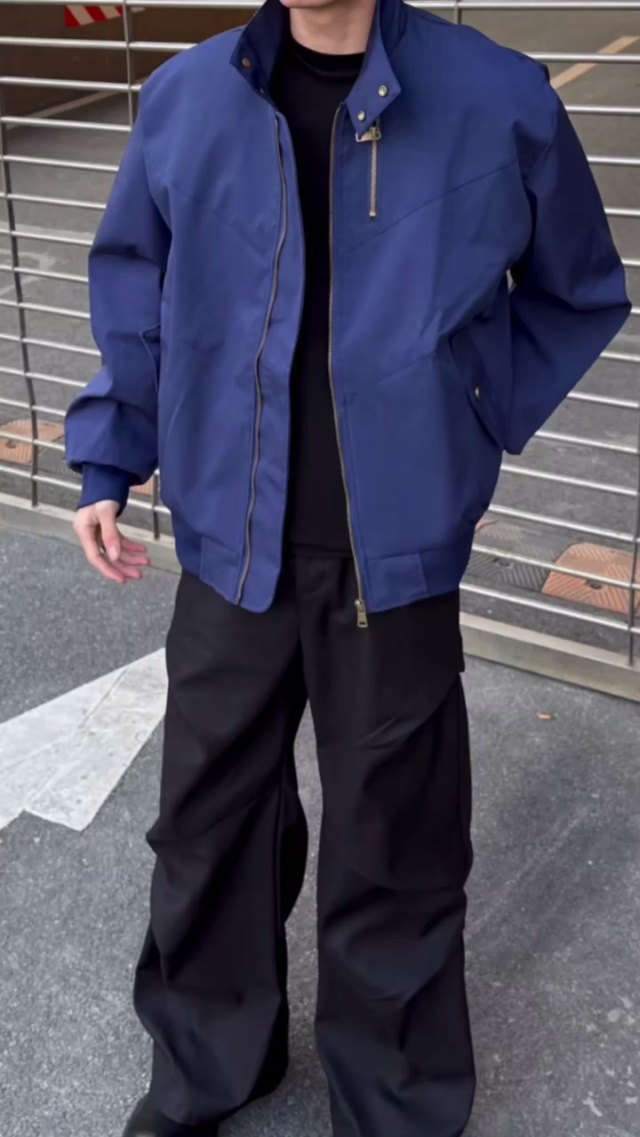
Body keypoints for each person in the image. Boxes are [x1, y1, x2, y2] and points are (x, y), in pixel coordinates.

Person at [65, 0, 630, 1128]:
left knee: (396, 842)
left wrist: (470, 416)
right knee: (207, 826)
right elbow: (138, 285)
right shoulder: (187, 98)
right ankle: (208, 1065)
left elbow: (579, 290)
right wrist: (109, 456)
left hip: (394, 553)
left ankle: (396, 1101)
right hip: (230, 541)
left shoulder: (498, 99)